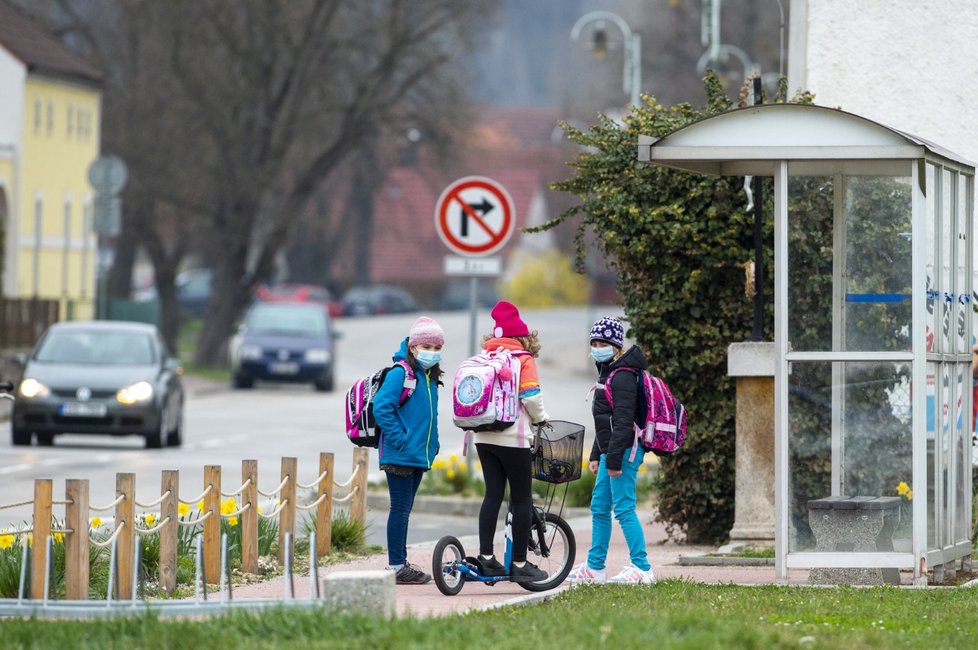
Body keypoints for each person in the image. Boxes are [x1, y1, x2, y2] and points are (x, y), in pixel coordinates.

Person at [568, 316, 656, 585]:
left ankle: (642, 568)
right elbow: (604, 421)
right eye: (594, 342)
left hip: (625, 451)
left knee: (624, 508)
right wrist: (597, 453)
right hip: (612, 452)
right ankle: (595, 567)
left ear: (616, 346)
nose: (597, 347)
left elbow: (623, 422)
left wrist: (614, 460)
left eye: (603, 342)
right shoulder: (609, 373)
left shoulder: (624, 377)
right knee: (599, 506)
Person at [472, 301, 550, 582]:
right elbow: (531, 397)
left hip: (482, 435)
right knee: (521, 499)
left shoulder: (484, 356)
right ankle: (519, 562)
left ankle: (486, 558)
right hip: (512, 438)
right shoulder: (522, 358)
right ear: (522, 336)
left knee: (492, 494)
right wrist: (541, 418)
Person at [372, 316, 445, 584]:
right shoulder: (401, 373)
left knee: (405, 508)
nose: (433, 353)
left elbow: (430, 416)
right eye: (427, 346)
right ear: (413, 348)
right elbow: (381, 407)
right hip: (400, 452)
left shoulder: (428, 377)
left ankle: (399, 563)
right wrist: (400, 439)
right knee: (400, 509)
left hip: (417, 454)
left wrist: (433, 443)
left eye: (437, 348)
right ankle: (396, 566)